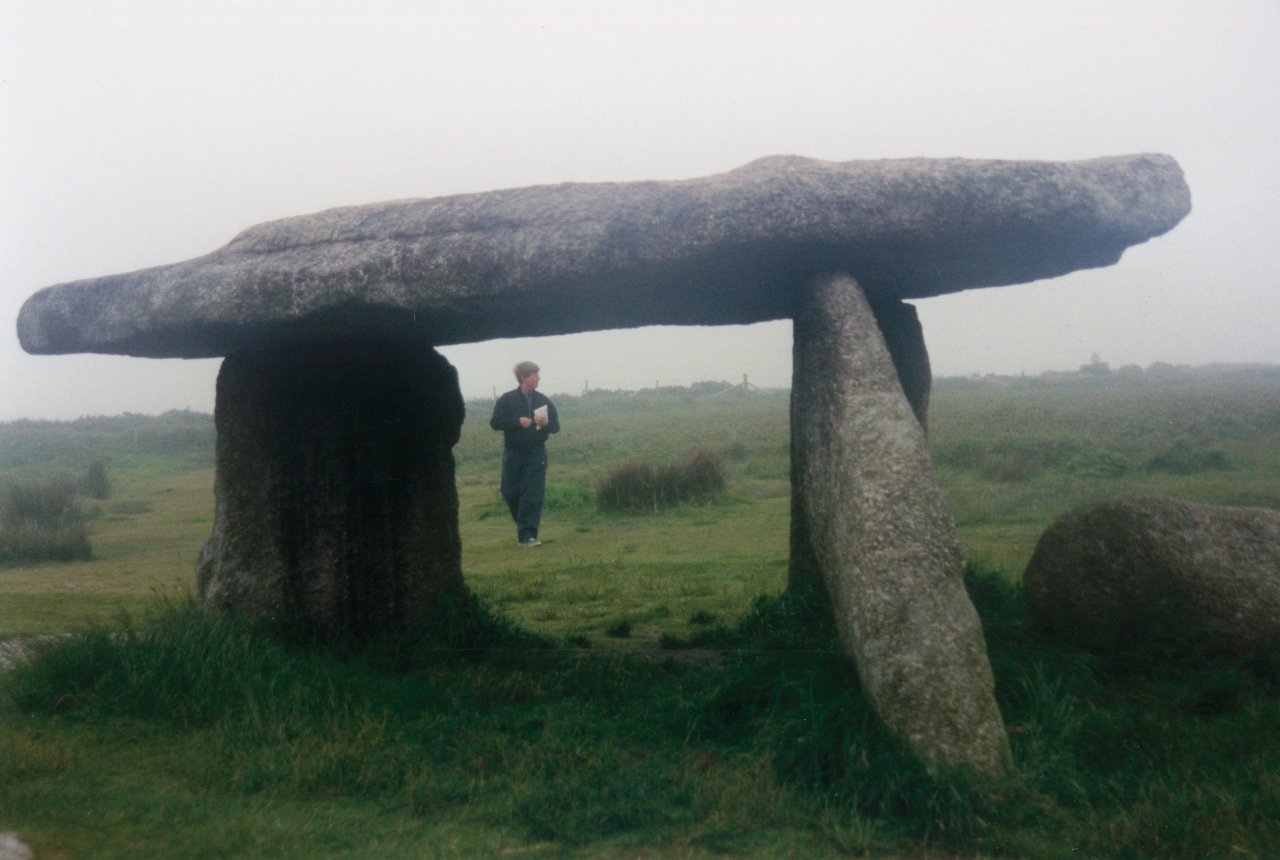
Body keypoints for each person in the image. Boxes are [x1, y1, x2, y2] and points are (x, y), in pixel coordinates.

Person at [489, 361, 560, 546]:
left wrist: (544, 423)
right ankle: (524, 525)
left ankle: (528, 536)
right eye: (535, 375)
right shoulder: (507, 399)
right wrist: (517, 421)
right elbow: (495, 423)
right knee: (510, 492)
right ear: (523, 378)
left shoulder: (543, 400)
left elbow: (556, 427)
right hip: (513, 453)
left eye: (538, 374)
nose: (538, 378)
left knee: (532, 494)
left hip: (537, 454)